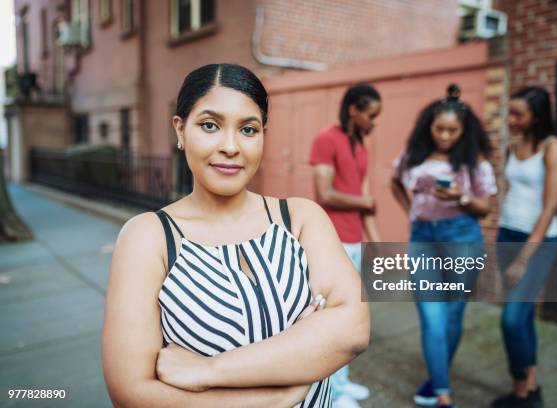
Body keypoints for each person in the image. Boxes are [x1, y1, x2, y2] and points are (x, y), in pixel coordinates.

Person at [101, 63, 370, 408]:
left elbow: (353, 329)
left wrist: (208, 371)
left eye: (248, 129)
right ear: (180, 131)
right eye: (210, 125)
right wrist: (278, 395)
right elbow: (131, 393)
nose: (231, 146)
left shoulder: (301, 219)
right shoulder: (149, 238)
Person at [391, 84, 497, 408]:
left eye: (453, 130)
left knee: (452, 316)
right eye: (440, 129)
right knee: (432, 318)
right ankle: (443, 396)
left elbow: (485, 208)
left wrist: (460, 197)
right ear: (429, 126)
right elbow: (395, 181)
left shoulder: (475, 163)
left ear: (464, 131)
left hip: (463, 237)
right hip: (423, 239)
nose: (446, 136)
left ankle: (437, 379)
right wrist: (412, 211)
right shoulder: (413, 157)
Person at [491, 86, 557, 408]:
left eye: (519, 114)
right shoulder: (513, 144)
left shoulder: (553, 147)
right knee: (521, 316)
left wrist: (523, 258)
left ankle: (523, 393)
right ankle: (529, 389)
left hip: (538, 241)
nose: (512, 119)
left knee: (510, 318)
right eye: (511, 112)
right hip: (507, 234)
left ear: (537, 116)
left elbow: (550, 206)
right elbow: (509, 191)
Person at [309, 83, 381, 408]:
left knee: (350, 317)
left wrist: (377, 242)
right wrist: (363, 199)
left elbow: (366, 204)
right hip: (332, 240)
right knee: (334, 319)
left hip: (355, 240)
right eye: (371, 115)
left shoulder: (360, 146)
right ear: (354, 109)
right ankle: (332, 395)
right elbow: (324, 193)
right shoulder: (327, 139)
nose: (373, 122)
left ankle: (343, 384)